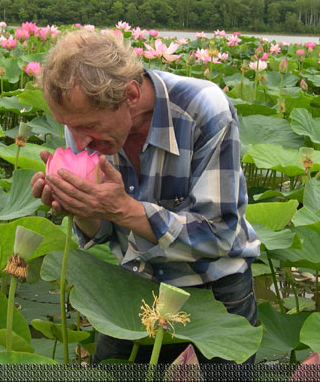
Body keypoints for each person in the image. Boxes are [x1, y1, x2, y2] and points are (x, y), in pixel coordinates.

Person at [30, 29, 260, 364]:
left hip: (214, 295)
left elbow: (219, 233)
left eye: (88, 126)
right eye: (68, 126)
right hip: (132, 293)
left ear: (131, 95)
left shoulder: (205, 110)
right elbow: (103, 231)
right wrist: (80, 207)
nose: (78, 143)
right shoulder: (81, 121)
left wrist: (124, 209)